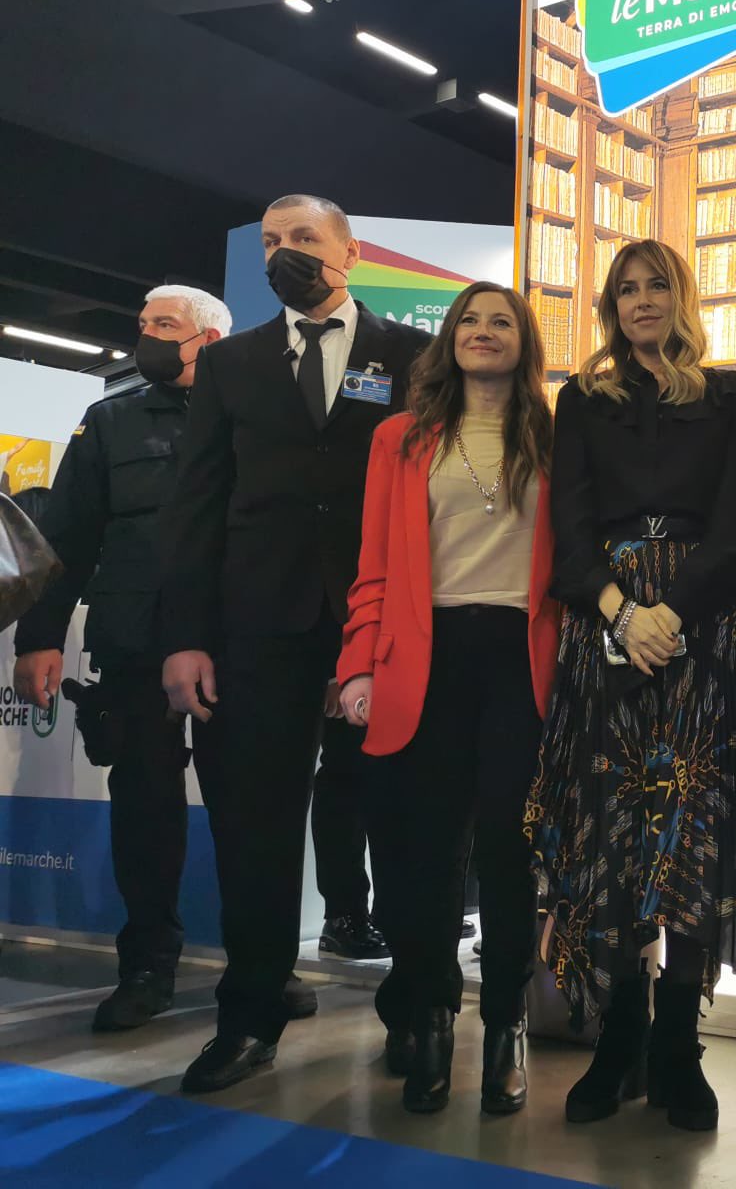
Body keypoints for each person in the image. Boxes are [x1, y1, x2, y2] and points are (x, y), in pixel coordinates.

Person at [160, 195, 432, 1092]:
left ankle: (416, 1010)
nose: (285, 253)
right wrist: (187, 637)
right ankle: (250, 1013)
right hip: (258, 624)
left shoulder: (413, 355)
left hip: (380, 619)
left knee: (403, 815)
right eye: (272, 242)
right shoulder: (229, 362)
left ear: (350, 251)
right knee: (256, 825)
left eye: (303, 239)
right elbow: (197, 502)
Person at [528, 238, 736, 1135]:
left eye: (656, 286)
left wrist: (669, 612)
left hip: (703, 629)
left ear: (682, 297)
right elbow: (569, 527)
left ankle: (680, 1042)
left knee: (695, 829)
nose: (641, 301)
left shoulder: (735, 397)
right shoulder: (583, 400)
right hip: (608, 629)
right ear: (610, 307)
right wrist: (622, 613)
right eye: (626, 289)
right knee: (616, 830)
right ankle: (619, 1032)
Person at [335, 281, 560, 1116]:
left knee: (508, 852)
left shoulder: (554, 435)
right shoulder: (399, 438)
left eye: (502, 321)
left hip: (520, 661)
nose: (483, 331)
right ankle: (430, 1021)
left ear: (524, 343)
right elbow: (373, 565)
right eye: (470, 319)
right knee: (423, 857)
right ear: (450, 338)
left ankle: (506, 1028)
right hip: (423, 658)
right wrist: (358, 665)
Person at [13, 286, 243, 1031]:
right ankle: (147, 965)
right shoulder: (110, 420)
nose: (145, 336)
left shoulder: (252, 416)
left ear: (208, 340)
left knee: (248, 808)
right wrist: (39, 636)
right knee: (144, 807)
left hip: (236, 642)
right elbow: (67, 537)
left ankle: (258, 967)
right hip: (134, 642)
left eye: (163, 325)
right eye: (143, 324)